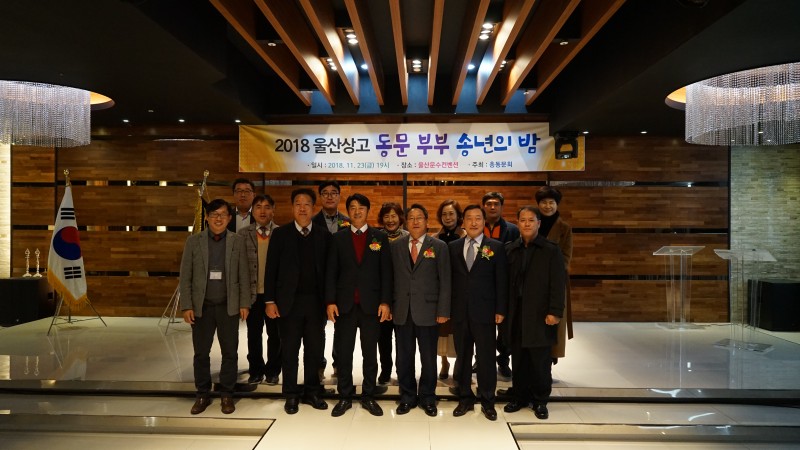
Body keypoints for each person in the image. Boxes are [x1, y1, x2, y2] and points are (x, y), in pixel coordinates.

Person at [180, 198, 251, 415]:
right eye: (214, 214)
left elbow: (244, 274)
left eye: (223, 215)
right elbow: (185, 276)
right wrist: (186, 305)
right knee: (201, 353)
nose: (218, 218)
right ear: (207, 218)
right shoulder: (194, 242)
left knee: (230, 352)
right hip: (202, 307)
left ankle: (227, 394)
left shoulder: (237, 241)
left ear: (229, 219)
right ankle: (202, 393)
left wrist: (244, 303)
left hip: (228, 307)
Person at [264, 188, 331, 414]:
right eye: (298, 204)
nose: (302, 208)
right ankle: (291, 394)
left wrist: (329, 302)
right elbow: (271, 269)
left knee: (314, 350)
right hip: (288, 304)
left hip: (315, 304)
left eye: (307, 204)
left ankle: (312, 391)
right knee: (290, 351)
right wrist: (270, 301)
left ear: (313, 208)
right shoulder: (280, 234)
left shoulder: (323, 235)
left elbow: (329, 272)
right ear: (292, 208)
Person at [325, 193, 393, 417]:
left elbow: (386, 273)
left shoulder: (379, 237)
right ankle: (344, 396)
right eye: (352, 207)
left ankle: (368, 396)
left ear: (367, 211)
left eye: (361, 207)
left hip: (371, 306)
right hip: (345, 306)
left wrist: (385, 302)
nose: (357, 211)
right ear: (348, 211)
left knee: (370, 355)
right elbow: (331, 272)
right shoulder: (338, 238)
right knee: (344, 354)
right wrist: (330, 301)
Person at [503, 206, 566, 420]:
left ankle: (540, 400)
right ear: (518, 223)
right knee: (519, 358)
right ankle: (519, 397)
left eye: (531, 220)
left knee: (540, 361)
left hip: (540, 314)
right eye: (523, 220)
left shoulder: (550, 250)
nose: (527, 224)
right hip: (516, 313)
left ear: (538, 223)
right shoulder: (511, 249)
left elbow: (558, 283)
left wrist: (555, 311)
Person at [389, 204, 451, 417]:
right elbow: (391, 279)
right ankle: (407, 396)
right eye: (411, 218)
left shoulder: (439, 246)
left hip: (429, 311)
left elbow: (445, 281)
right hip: (402, 310)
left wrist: (443, 310)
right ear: (406, 222)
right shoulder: (396, 246)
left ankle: (427, 397)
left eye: (419, 218)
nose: (415, 222)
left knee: (428, 358)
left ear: (427, 221)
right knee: (403, 357)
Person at [449, 205, 508, 421]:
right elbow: (449, 281)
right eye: (469, 218)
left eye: (478, 218)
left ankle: (487, 400)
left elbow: (501, 281)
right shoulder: (453, 247)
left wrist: (500, 309)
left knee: (486, 358)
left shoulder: (496, 247)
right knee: (463, 357)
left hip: (485, 312)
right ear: (463, 222)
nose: (473, 222)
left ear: (484, 222)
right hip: (459, 312)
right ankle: (465, 398)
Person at [238, 194, 281, 385]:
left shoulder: (281, 233)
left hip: (274, 296)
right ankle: (255, 370)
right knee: (253, 334)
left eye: (267, 207)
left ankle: (273, 370)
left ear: (273, 210)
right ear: (252, 211)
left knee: (275, 335)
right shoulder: (242, 234)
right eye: (258, 207)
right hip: (252, 295)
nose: (262, 211)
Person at [311, 180, 350, 381]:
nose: (329, 196)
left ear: (339, 196)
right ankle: (318, 365)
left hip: (342, 283)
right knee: (317, 328)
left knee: (341, 328)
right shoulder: (312, 222)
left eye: (334, 192)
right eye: (325, 193)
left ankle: (339, 364)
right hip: (318, 283)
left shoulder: (348, 222)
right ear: (320, 197)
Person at [482, 191, 519, 379]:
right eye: (489, 203)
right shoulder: (477, 228)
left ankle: (503, 361)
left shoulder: (512, 230)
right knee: (482, 327)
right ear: (483, 206)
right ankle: (480, 360)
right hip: (483, 285)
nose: (492, 207)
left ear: (502, 207)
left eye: (496, 204)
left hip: (505, 285)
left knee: (504, 329)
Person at [535, 186, 574, 365]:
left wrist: (547, 273)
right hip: (532, 281)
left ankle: (549, 362)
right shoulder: (534, 224)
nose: (548, 206)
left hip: (555, 281)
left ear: (557, 204)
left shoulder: (564, 228)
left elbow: (566, 258)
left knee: (553, 323)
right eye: (544, 202)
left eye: (551, 202)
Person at [375, 202, 408, 384]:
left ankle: (402, 371)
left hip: (403, 297)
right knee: (384, 338)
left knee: (403, 339)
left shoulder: (408, 237)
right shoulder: (376, 238)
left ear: (400, 217)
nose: (390, 220)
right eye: (386, 216)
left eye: (393, 216)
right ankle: (385, 370)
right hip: (382, 297)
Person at [435, 199, 465, 382]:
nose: (448, 217)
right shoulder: (435, 238)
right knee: (443, 329)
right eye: (444, 214)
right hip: (441, 291)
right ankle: (444, 362)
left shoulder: (466, 236)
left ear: (458, 216)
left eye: (451, 213)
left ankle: (461, 365)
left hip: (460, 291)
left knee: (460, 331)